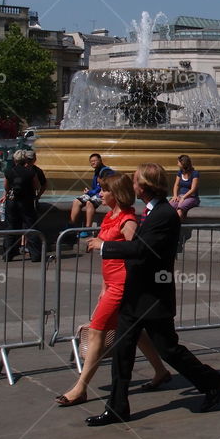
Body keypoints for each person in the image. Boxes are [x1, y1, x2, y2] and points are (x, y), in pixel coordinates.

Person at [84, 164, 220, 426]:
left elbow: (141, 249)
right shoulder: (150, 213)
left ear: (145, 186)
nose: (132, 185)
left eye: (136, 181)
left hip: (153, 296)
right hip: (135, 293)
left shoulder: (164, 215)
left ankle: (212, 381)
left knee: (169, 350)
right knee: (122, 351)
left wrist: (104, 246)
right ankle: (117, 408)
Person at [56, 173, 170, 407]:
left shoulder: (128, 220)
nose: (100, 194)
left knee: (97, 330)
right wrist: (103, 286)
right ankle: (161, 371)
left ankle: (81, 387)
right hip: (112, 283)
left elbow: (136, 251)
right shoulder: (110, 216)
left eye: (105, 190)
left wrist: (104, 245)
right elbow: (108, 260)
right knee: (136, 332)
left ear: (116, 194)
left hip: (123, 285)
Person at [69, 153, 112, 236]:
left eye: (95, 161)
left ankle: (87, 229)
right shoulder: (97, 171)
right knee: (76, 201)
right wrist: (89, 191)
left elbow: (101, 187)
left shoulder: (106, 171)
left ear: (100, 160)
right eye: (91, 162)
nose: (93, 163)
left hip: (103, 193)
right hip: (94, 192)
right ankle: (71, 225)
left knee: (90, 203)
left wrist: (89, 192)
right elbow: (96, 187)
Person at [170, 154, 200, 220]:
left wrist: (184, 197)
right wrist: (175, 196)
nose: (177, 164)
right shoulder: (180, 173)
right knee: (170, 206)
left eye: (178, 162)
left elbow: (193, 189)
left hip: (192, 197)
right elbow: (176, 185)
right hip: (181, 196)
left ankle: (177, 227)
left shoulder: (195, 173)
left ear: (183, 163)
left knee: (180, 209)